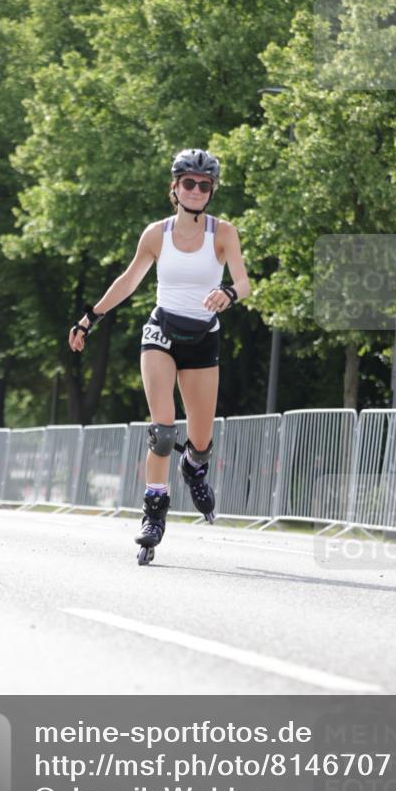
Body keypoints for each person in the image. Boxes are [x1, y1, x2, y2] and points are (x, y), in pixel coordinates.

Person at [68, 148, 251, 562]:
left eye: (205, 185)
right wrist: (88, 319)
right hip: (162, 331)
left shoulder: (223, 233)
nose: (197, 190)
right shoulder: (157, 234)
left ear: (211, 191)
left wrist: (228, 292)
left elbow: (243, 282)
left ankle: (196, 468)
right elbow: (128, 280)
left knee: (199, 441)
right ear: (175, 187)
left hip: (204, 339)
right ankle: (154, 513)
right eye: (189, 182)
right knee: (163, 432)